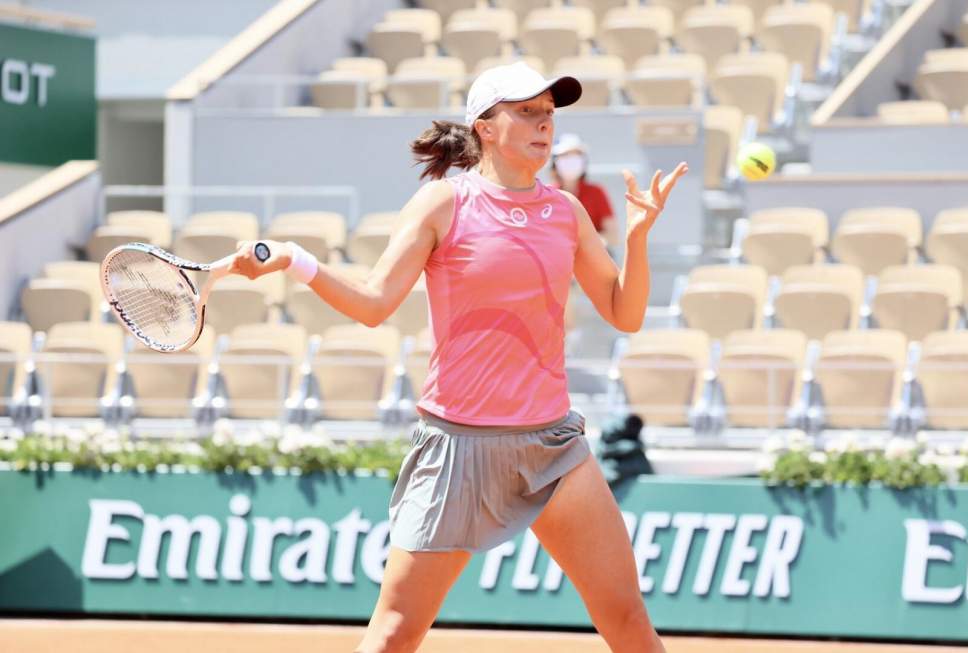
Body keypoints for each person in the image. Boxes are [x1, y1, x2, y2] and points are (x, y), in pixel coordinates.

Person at [229, 60, 687, 653]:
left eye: (548, 114)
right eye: (526, 112)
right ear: (486, 127)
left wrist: (637, 239)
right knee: (396, 631)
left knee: (627, 620)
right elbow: (373, 304)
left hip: (552, 446)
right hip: (458, 448)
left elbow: (625, 313)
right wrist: (295, 258)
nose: (543, 124)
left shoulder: (566, 213)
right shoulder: (443, 203)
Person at [551, 133, 618, 246]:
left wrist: (589, 245)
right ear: (555, 162)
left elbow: (613, 236)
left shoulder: (596, 192)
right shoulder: (548, 194)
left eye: (576, 155)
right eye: (565, 156)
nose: (571, 161)